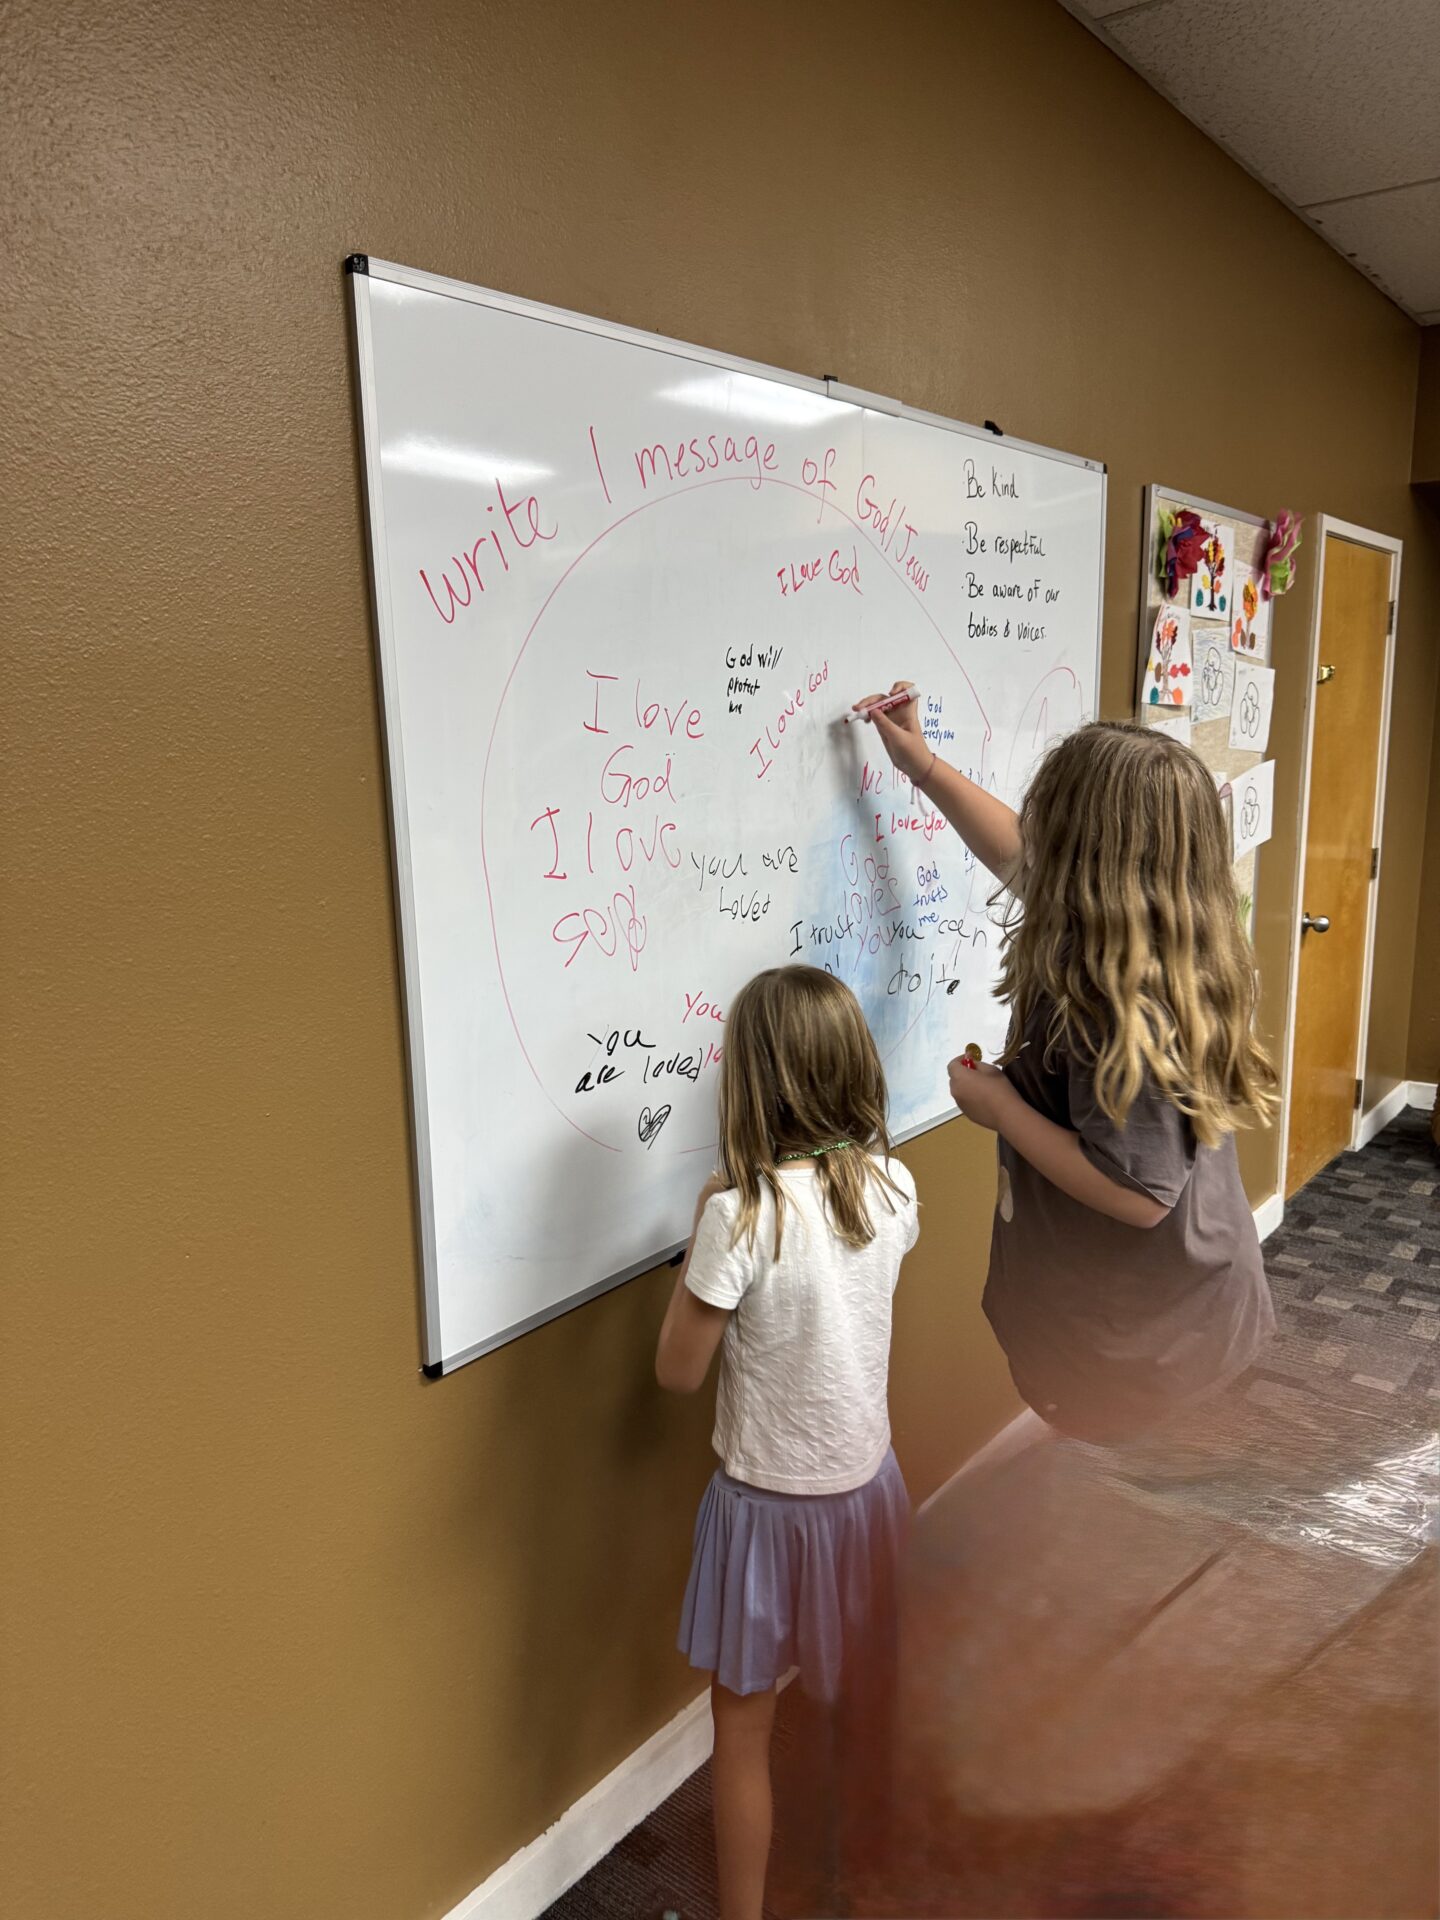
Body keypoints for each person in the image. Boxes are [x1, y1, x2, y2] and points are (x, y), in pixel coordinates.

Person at [855, 685, 1277, 1444]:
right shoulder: (1149, 930)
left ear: (1088, 858)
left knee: (1120, 1531)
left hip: (1150, 1345)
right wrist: (922, 766)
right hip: (1162, 1314)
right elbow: (1012, 851)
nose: (1033, 835)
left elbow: (1140, 1191)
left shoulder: (1130, 1004)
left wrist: (998, 1109)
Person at [655, 965, 919, 1920]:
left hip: (764, 1511)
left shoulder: (740, 1213)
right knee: (859, 1715)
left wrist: (699, 1231)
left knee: (744, 1733)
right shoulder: (893, 1184)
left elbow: (676, 1373)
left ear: (752, 1082)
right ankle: (866, 1883)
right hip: (867, 1493)